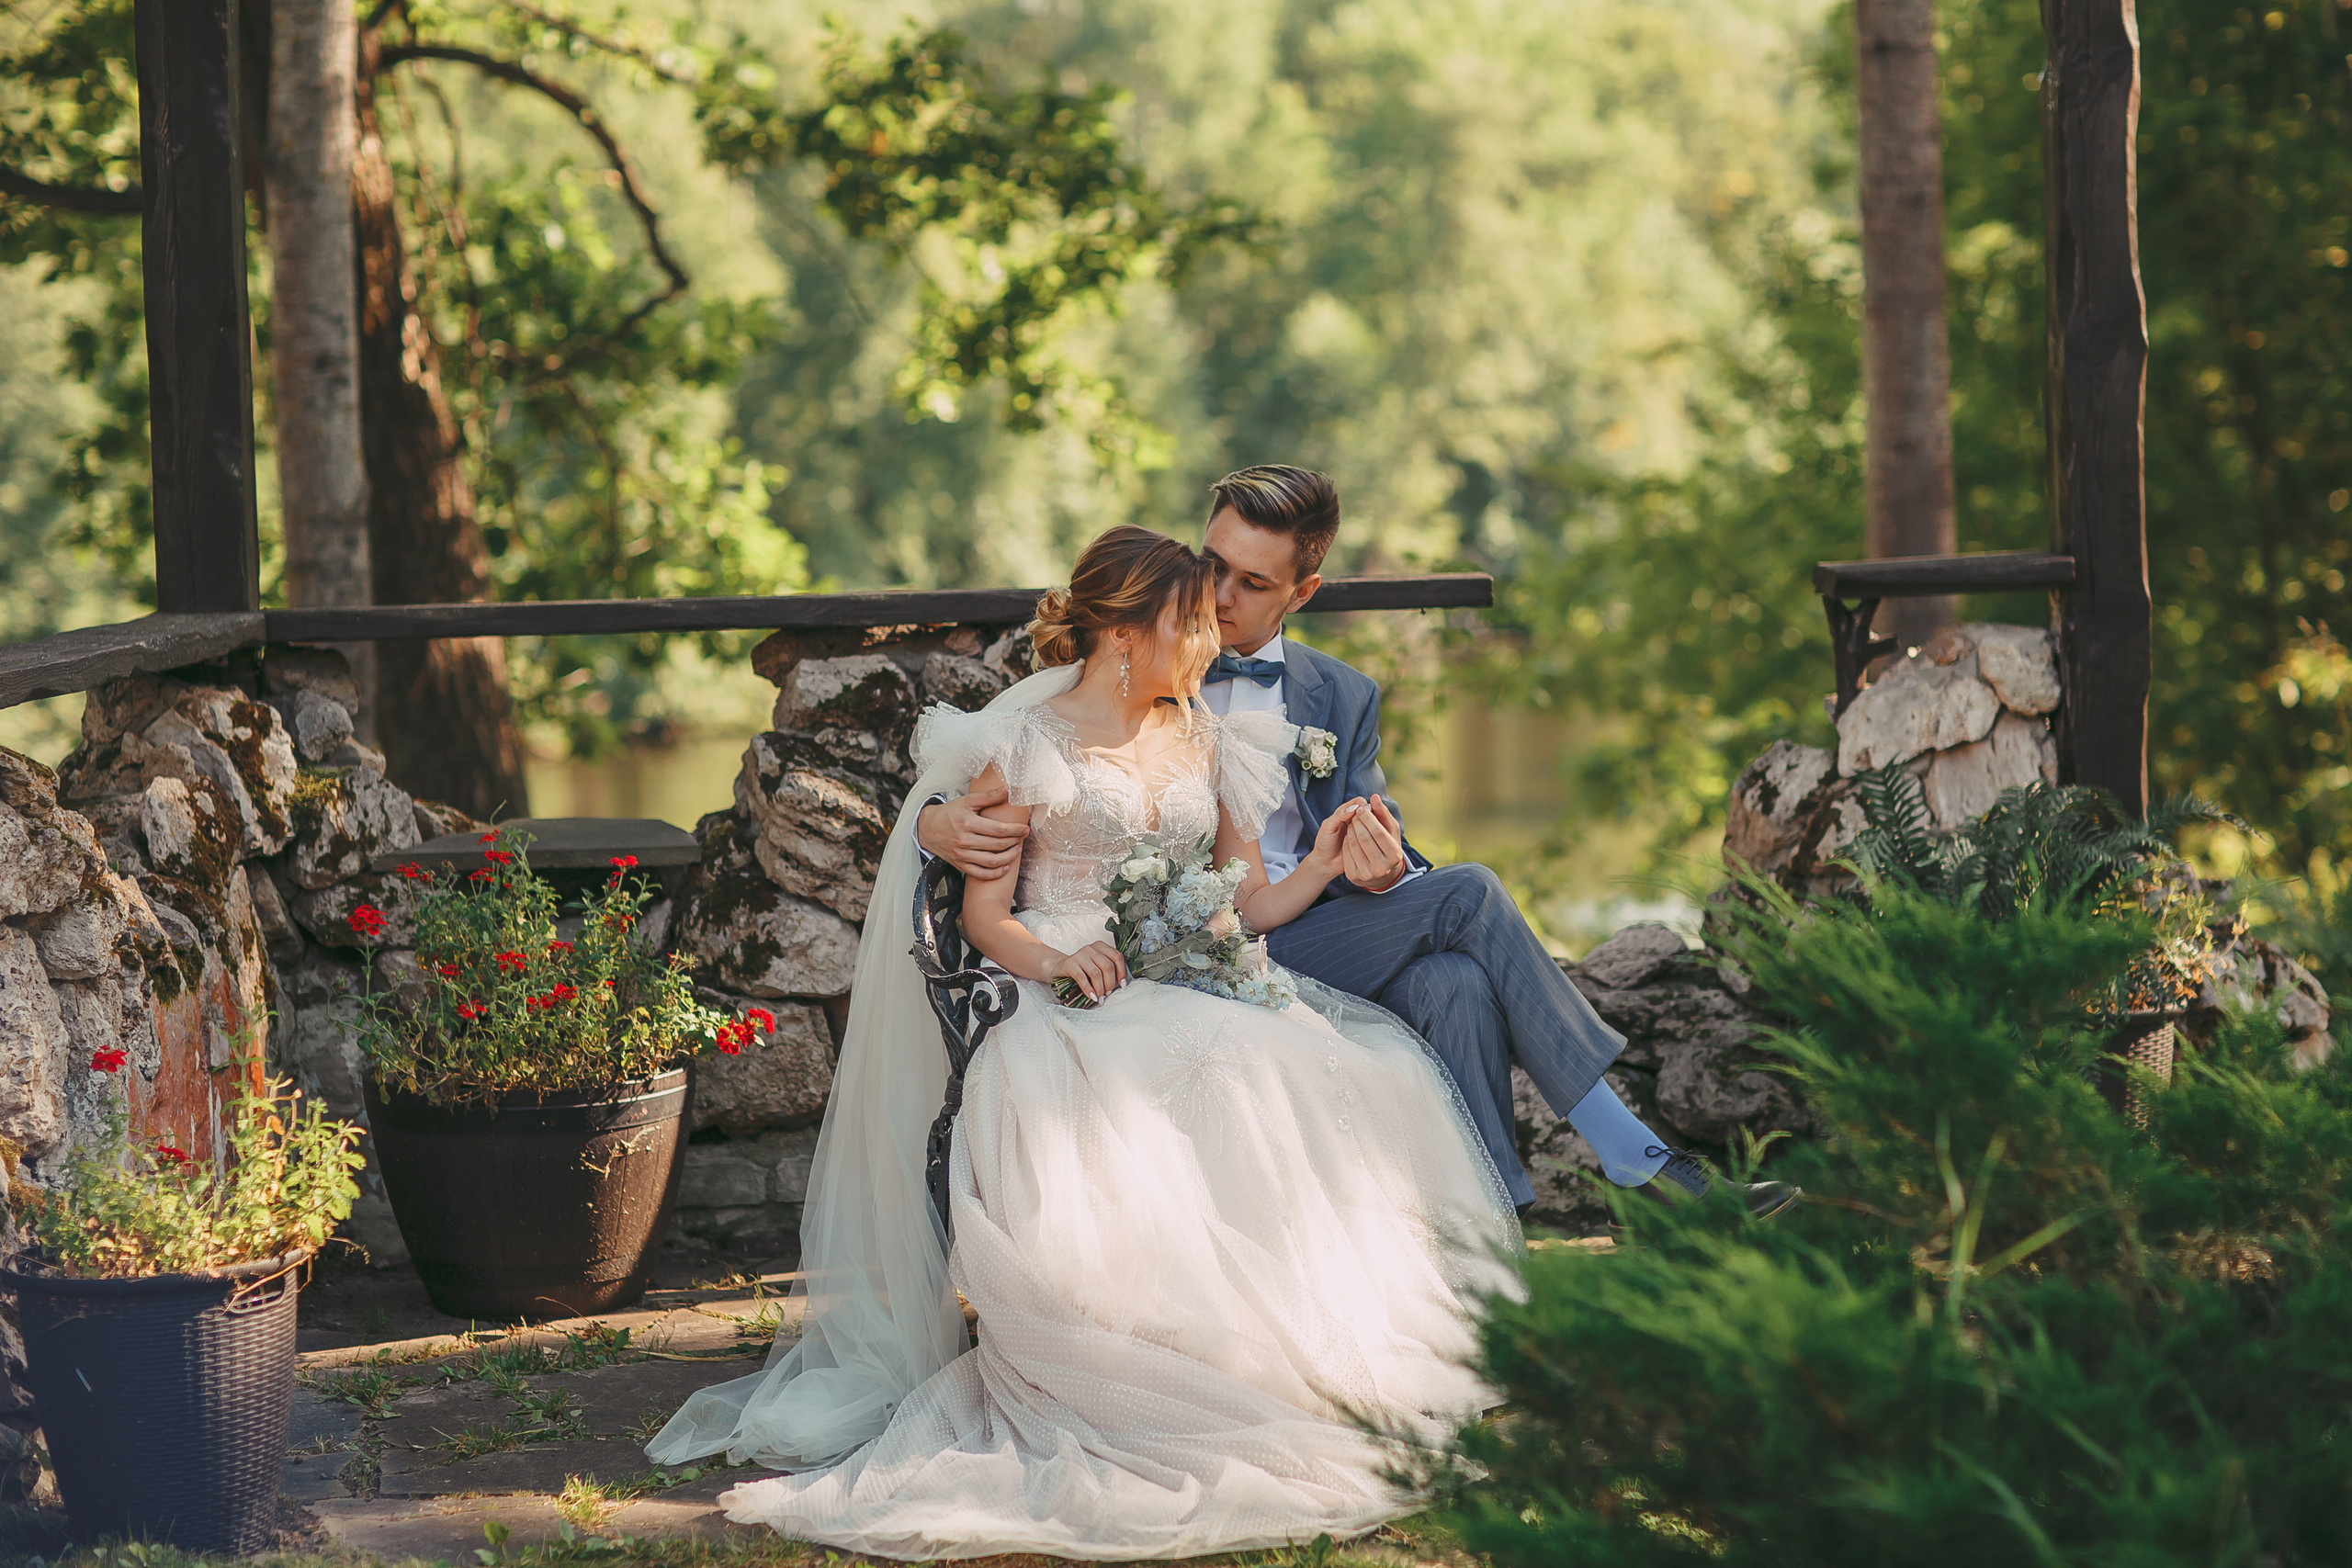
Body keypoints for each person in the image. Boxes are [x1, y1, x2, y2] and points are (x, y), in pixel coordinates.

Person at [650, 525, 1521, 1560]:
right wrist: (1054, 962)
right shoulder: (1027, 743)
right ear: (1126, 632)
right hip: (1059, 988)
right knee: (1167, 1083)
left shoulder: (1205, 734)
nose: (1211, 640)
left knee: (1325, 1067)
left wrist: (1325, 863)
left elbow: (1241, 904)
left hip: (1181, 972)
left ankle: (1310, 1353)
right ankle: (1172, 1355)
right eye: (1192, 622)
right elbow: (985, 921)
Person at [921, 468, 1797, 1222]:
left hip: (1290, 925)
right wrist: (936, 823)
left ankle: (1494, 1231)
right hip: (1178, 950)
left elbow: (1377, 845)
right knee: (1471, 907)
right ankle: (1623, 1163)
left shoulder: (1339, 696)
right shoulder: (1128, 646)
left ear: (1301, 593)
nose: (1217, 600)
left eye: (1251, 584)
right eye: (1213, 568)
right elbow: (1003, 768)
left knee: (1451, 953)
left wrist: (1379, 862)